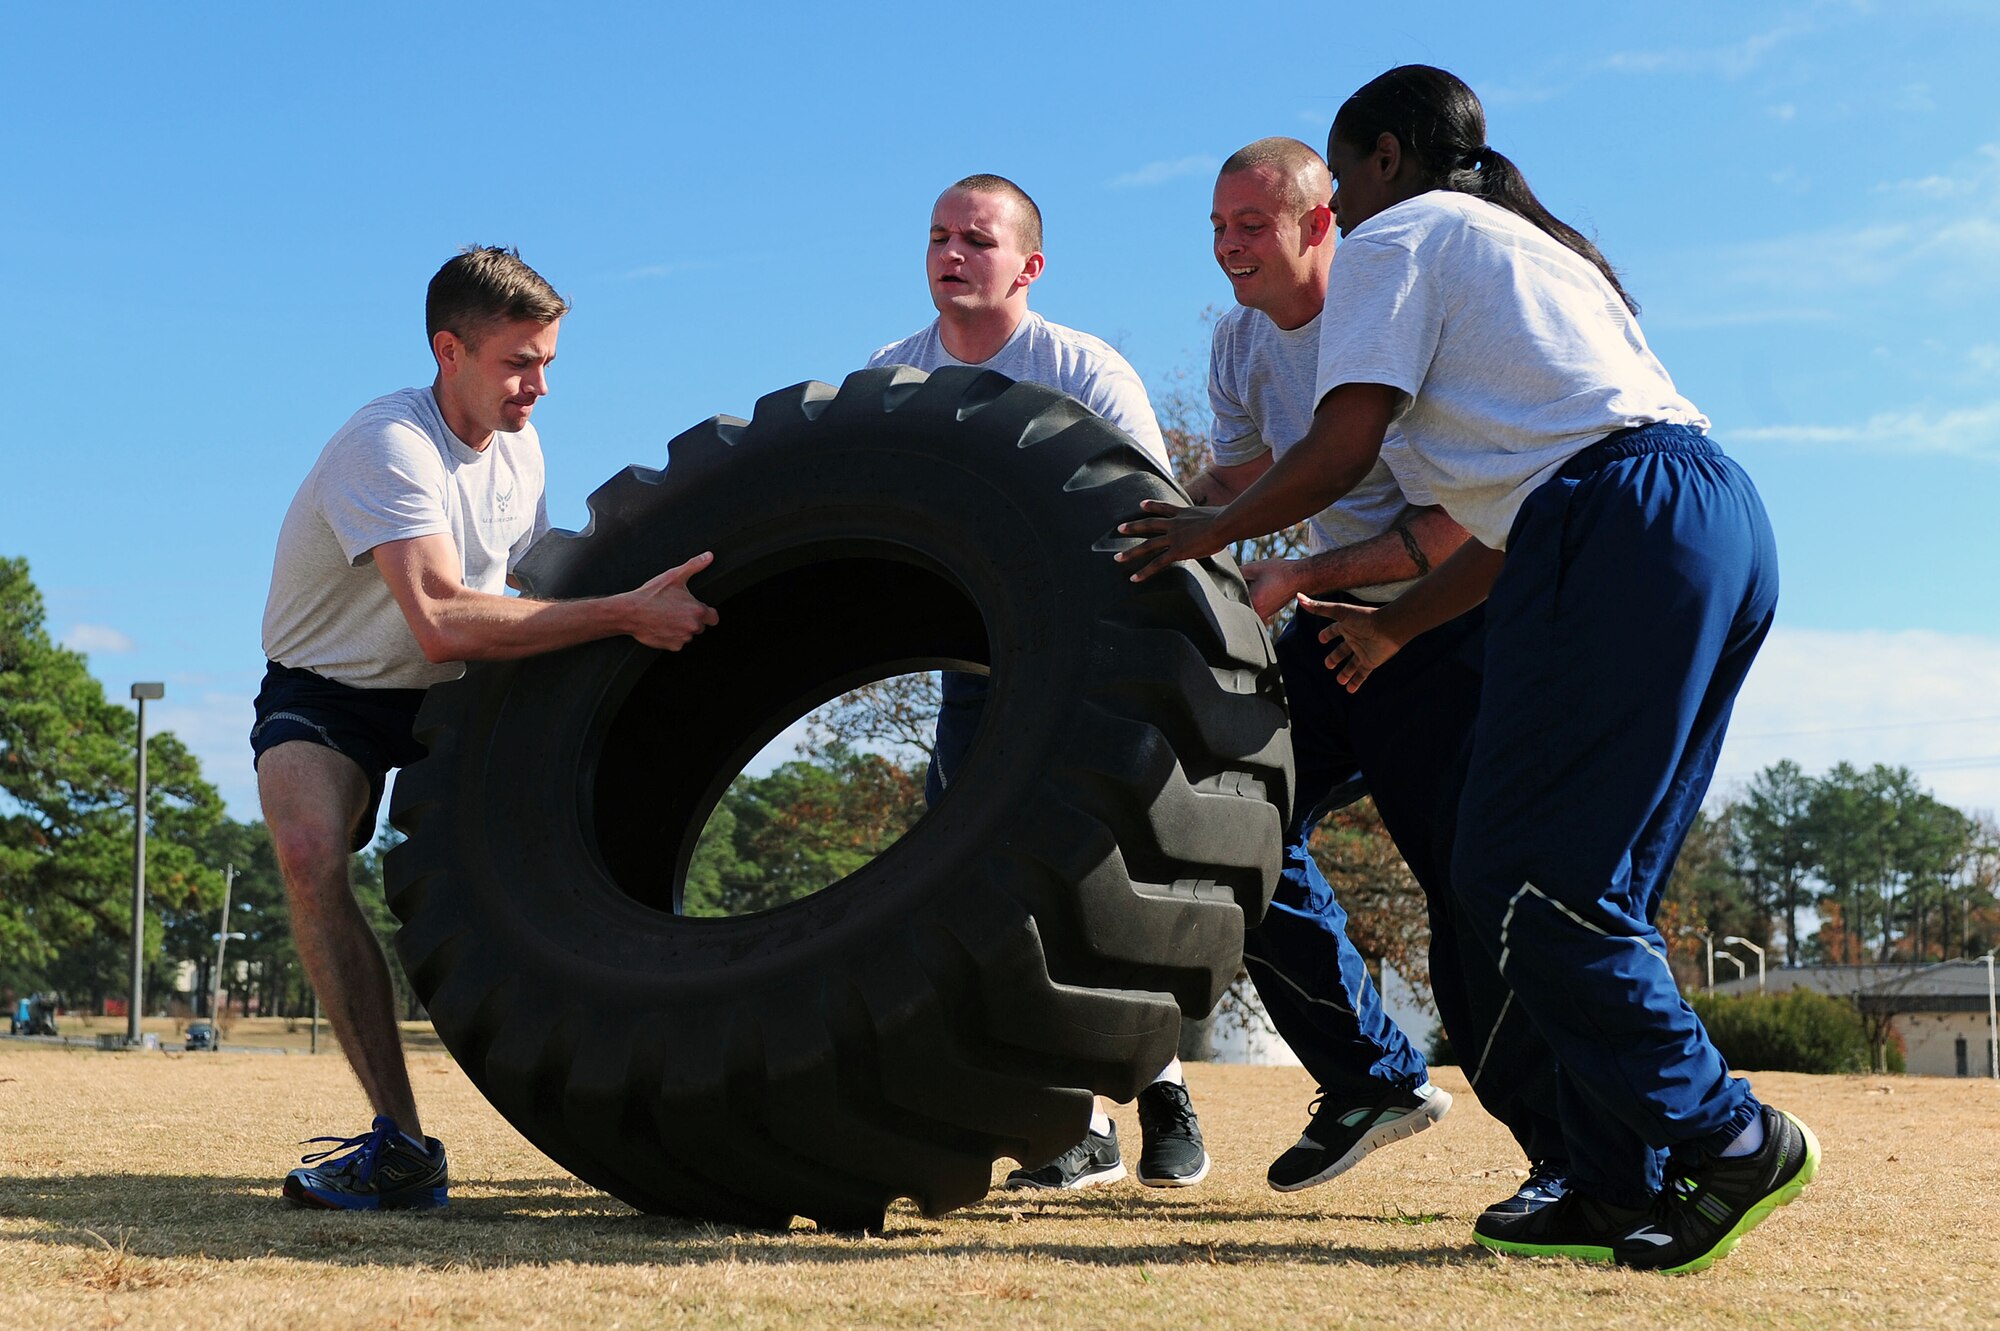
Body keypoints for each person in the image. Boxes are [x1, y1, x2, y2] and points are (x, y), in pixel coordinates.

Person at [1118, 67, 1816, 1274]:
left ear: (1376, 163)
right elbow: (1502, 520)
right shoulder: (1528, 247)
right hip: (1701, 518)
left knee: (1522, 885)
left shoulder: (1397, 235)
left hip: (1616, 529)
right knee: (1575, 888)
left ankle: (1732, 1133)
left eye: (1334, 181)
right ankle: (1607, 1181)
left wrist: (1206, 534)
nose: (1335, 206)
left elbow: (1341, 451)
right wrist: (1384, 622)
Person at [257, 246, 720, 1210]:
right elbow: (439, 613)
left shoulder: (521, 448)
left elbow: (514, 597)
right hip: (333, 688)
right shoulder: (388, 447)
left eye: (548, 360)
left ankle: (654, 1079)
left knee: (554, 855)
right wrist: (625, 612)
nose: (539, 386)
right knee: (309, 853)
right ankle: (399, 1145)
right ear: (449, 350)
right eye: (520, 363)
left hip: (456, 684)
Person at [1196, 137, 1568, 1211]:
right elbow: (1237, 475)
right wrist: (1162, 520)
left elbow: (1463, 519)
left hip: (1442, 632)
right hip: (1326, 632)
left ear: (1319, 223)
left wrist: (1326, 579)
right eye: (1216, 227)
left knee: (1471, 899)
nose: (1228, 248)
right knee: (1227, 830)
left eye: (1250, 225)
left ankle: (1568, 1155)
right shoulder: (1239, 341)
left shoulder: (1389, 318)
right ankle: (1368, 1076)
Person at [866, 175, 1201, 1191]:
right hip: (974, 668)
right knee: (986, 888)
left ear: (1028, 265)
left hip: (1093, 660)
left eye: (975, 237)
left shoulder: (1079, 368)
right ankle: (1072, 1123)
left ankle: (1165, 1094)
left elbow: (1156, 512)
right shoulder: (890, 374)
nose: (950, 253)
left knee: (1102, 875)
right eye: (936, 236)